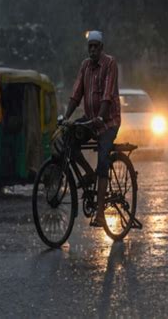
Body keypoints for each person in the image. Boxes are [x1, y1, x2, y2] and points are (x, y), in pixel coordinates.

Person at [63, 30, 121, 227]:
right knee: (69, 139)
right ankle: (89, 174)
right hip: (90, 119)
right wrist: (66, 116)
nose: (93, 50)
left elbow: (107, 94)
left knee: (103, 158)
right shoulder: (85, 66)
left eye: (96, 46)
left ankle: (100, 214)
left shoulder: (110, 63)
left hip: (108, 121)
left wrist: (100, 117)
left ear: (101, 48)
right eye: (90, 46)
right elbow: (76, 93)